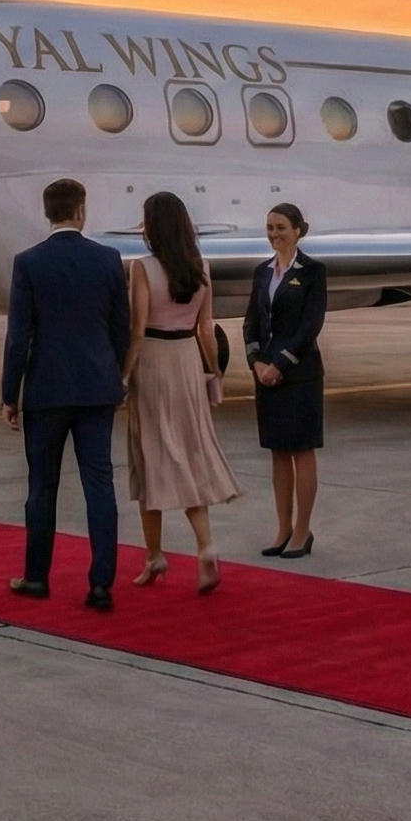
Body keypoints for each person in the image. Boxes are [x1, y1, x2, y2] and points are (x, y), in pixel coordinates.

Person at [2, 177, 131, 611]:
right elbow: (120, 328)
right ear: (81, 211)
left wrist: (10, 394)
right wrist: (114, 377)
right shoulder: (109, 259)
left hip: (46, 390)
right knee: (100, 486)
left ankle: (36, 577)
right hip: (96, 390)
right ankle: (100, 584)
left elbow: (18, 336)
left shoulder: (28, 263)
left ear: (47, 212)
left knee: (42, 487)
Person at [122, 191, 239, 593]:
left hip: (153, 361)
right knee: (189, 452)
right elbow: (207, 329)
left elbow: (137, 330)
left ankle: (154, 555)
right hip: (188, 359)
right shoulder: (201, 267)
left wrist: (123, 375)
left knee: (150, 455)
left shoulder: (142, 268)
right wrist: (214, 372)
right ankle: (205, 546)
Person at [242, 202, 326, 558]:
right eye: (270, 227)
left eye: (281, 227)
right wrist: (257, 363)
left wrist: (279, 363)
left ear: (298, 230)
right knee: (278, 452)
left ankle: (303, 530)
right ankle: (283, 527)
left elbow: (310, 325)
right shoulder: (263, 272)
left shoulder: (312, 271)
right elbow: (251, 323)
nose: (274, 234)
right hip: (267, 378)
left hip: (299, 374)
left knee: (301, 451)